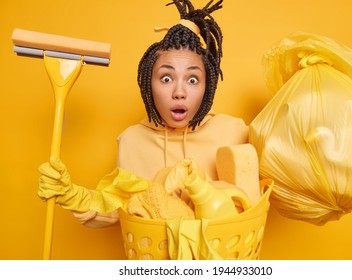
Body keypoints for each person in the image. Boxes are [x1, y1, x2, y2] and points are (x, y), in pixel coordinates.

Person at [38, 0, 252, 228]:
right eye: (166, 78)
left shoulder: (234, 132)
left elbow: (269, 190)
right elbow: (120, 208)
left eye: (192, 80)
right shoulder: (133, 140)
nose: (179, 92)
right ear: (149, 84)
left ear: (207, 86)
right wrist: (73, 196)